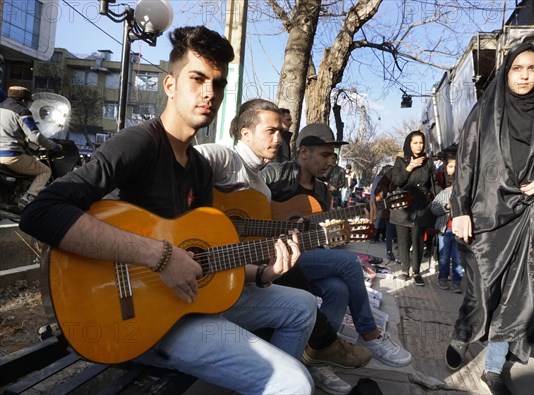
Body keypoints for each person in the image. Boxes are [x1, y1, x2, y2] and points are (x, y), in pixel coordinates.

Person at [19, 26, 316, 394]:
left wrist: (262, 273)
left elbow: (204, 256)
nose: (210, 92)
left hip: (186, 303)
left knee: (302, 305)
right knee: (295, 383)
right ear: (171, 85)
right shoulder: (139, 143)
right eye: (198, 79)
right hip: (137, 318)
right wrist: (159, 256)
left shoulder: (200, 168)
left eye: (218, 83)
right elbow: (41, 213)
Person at [195, 98, 371, 394]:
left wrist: (274, 264)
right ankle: (353, 338)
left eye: (281, 132)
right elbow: (175, 170)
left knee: (310, 300)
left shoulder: (261, 189)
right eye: (270, 131)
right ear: (245, 132)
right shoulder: (223, 158)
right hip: (200, 278)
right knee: (343, 268)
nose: (278, 139)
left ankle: (282, 380)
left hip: (233, 277)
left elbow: (250, 241)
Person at [444, 42, 534, 395]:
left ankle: (494, 368)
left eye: (532, 69)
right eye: (518, 68)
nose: (525, 76)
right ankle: (463, 332)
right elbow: (466, 164)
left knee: (518, 299)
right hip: (486, 217)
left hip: (528, 220)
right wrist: (460, 210)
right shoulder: (483, 113)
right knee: (481, 290)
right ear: (506, 71)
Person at [261, 123, 412, 369]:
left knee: (338, 289)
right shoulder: (274, 175)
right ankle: (370, 333)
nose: (331, 161)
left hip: (305, 257)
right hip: (270, 256)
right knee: (350, 263)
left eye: (333, 155)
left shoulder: (322, 191)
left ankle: (315, 354)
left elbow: (322, 234)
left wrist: (353, 223)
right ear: (303, 153)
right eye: (325, 154)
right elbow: (250, 207)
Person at [0, 86, 62, 209]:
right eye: (28, 102)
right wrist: (54, 146)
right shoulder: (22, 111)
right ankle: (28, 198)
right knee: (45, 171)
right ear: (23, 100)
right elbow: (35, 137)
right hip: (11, 157)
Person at [389, 130, 435, 286]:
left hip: (421, 206)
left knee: (418, 240)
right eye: (415, 143)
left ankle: (416, 272)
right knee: (403, 240)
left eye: (421, 142)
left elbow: (432, 184)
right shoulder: (401, 161)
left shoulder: (428, 162)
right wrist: (409, 167)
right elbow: (397, 181)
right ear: (409, 144)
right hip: (403, 206)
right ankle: (404, 270)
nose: (418, 146)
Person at [431, 154, 463, 293]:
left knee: (458, 258)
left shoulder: (465, 194)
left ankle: (457, 282)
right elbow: (434, 208)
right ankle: (442, 278)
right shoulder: (445, 193)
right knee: (443, 257)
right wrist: (447, 206)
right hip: (445, 230)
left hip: (459, 231)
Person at [369, 165, 393, 243]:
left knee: (380, 220)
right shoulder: (379, 178)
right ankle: (373, 236)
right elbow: (375, 191)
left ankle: (378, 236)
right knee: (376, 220)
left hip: (381, 201)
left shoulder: (384, 179)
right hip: (378, 201)